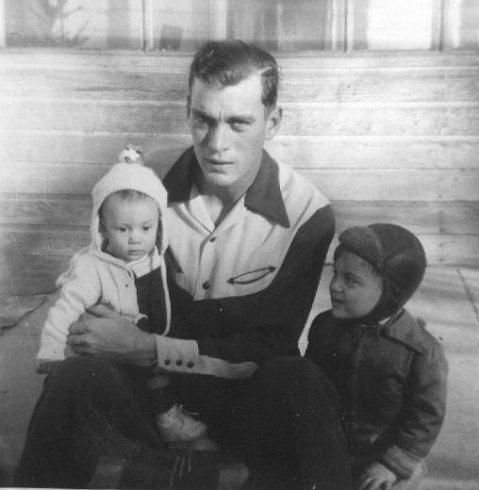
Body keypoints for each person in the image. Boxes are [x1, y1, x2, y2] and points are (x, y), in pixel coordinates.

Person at [15, 40, 352, 489]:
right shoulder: (141, 184)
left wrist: (149, 348)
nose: (217, 144)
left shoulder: (308, 213)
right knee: (75, 378)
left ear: (273, 122)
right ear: (187, 111)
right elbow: (96, 301)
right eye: (203, 120)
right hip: (147, 397)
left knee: (301, 382)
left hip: (240, 401)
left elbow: (268, 348)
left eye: (238, 123)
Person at [35, 145, 207, 443]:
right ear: (102, 227)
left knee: (167, 367)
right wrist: (51, 351)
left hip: (149, 345)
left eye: (145, 227)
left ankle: (169, 416)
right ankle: (154, 424)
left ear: (158, 224)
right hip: (108, 353)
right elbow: (66, 309)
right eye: (123, 229)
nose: (135, 239)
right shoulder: (92, 268)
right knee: (105, 383)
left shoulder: (157, 259)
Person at [306, 223, 448, 490]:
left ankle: (407, 473)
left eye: (351, 280)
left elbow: (425, 417)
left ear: (391, 293)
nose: (335, 286)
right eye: (335, 274)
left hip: (379, 456)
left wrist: (394, 464)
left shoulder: (419, 351)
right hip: (330, 446)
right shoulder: (325, 327)